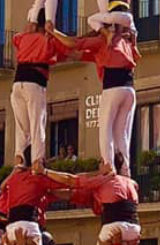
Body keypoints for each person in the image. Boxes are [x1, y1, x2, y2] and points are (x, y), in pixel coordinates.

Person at [52, 26, 139, 173]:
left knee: (105, 131)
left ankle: (108, 166)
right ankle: (125, 169)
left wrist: (53, 32)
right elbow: (78, 55)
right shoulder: (125, 41)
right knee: (122, 134)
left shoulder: (101, 41)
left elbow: (73, 45)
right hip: (129, 91)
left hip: (112, 88)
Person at [40, 155, 149, 245]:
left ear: (106, 164)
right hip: (134, 228)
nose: (98, 165)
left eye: (100, 162)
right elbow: (74, 195)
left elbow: (72, 181)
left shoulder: (101, 181)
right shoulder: (131, 182)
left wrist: (44, 173)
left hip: (113, 225)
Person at [11, 11, 67, 168]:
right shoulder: (48, 40)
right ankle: (37, 161)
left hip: (17, 83)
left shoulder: (23, 37)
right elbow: (66, 50)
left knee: (22, 127)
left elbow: (15, 39)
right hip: (34, 83)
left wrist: (30, 27)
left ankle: (19, 160)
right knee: (37, 123)